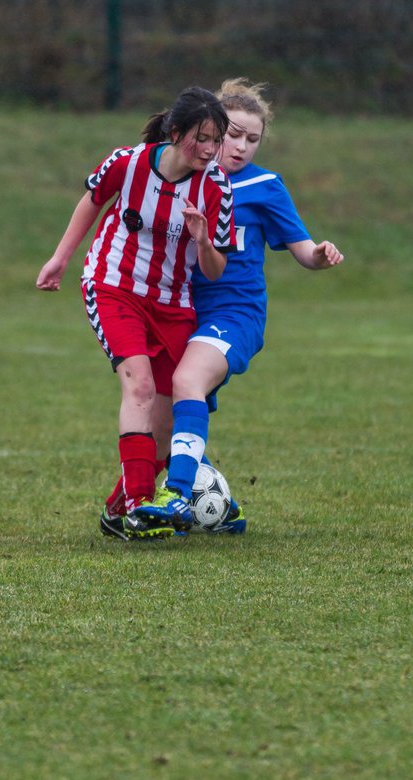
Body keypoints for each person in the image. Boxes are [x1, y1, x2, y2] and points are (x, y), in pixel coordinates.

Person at [123, 77, 344, 537]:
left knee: (187, 380)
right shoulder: (177, 180)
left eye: (252, 139)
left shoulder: (264, 186)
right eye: (233, 136)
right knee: (160, 424)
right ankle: (211, 508)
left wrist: (319, 255)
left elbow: (303, 251)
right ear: (207, 132)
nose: (241, 147)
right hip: (180, 312)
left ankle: (179, 496)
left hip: (234, 314)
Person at [36, 86, 236, 540]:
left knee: (166, 421)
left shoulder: (217, 187)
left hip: (172, 301)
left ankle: (117, 509)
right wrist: (60, 259)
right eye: (200, 138)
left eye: (215, 140)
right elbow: (92, 202)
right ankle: (141, 507)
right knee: (140, 387)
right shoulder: (127, 163)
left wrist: (203, 239)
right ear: (175, 132)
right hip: (113, 286)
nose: (208, 149)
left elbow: (215, 268)